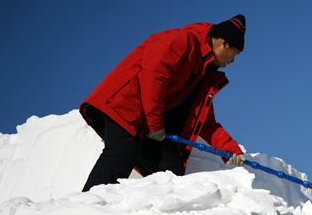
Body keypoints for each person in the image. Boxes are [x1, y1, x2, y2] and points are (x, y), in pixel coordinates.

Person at [80, 15, 248, 191]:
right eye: (234, 54)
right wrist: (154, 124)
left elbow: (206, 122)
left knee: (171, 172)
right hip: (123, 104)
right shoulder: (183, 40)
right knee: (122, 153)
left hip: (147, 123)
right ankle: (87, 205)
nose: (232, 61)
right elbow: (154, 75)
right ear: (223, 44)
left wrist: (231, 150)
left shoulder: (202, 73)